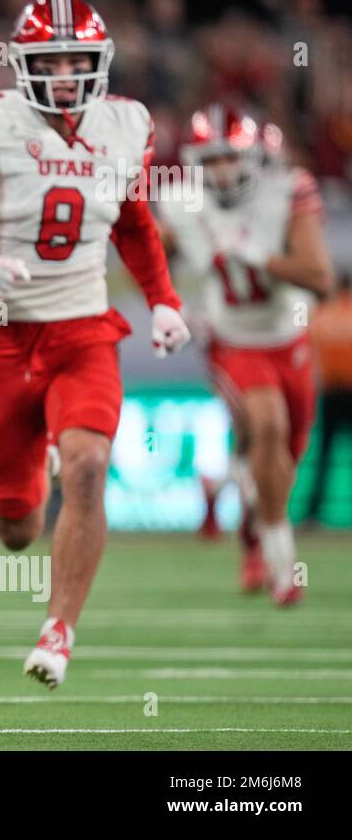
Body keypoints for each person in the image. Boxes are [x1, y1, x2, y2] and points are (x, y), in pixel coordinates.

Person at [0, 0, 190, 688]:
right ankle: (39, 459)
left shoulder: (127, 125)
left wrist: (162, 302)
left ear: (99, 63)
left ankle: (59, 631)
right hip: (2, 337)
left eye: (76, 59)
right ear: (21, 63)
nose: (64, 72)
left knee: (90, 465)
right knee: (15, 528)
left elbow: (132, 222)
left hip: (83, 328)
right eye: (50, 59)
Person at [162, 108, 333, 603]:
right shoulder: (183, 204)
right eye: (210, 160)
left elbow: (320, 279)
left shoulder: (288, 191)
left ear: (255, 159)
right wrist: (169, 310)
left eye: (230, 159)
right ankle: (282, 566)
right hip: (231, 338)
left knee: (284, 455)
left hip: (288, 337)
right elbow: (148, 256)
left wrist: (263, 258)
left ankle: (228, 497)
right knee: (269, 427)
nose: (220, 172)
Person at [303, 271, 352, 525]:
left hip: (331, 394)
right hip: (345, 391)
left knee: (324, 456)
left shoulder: (322, 315)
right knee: (326, 455)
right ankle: (313, 512)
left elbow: (306, 351)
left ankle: (313, 514)